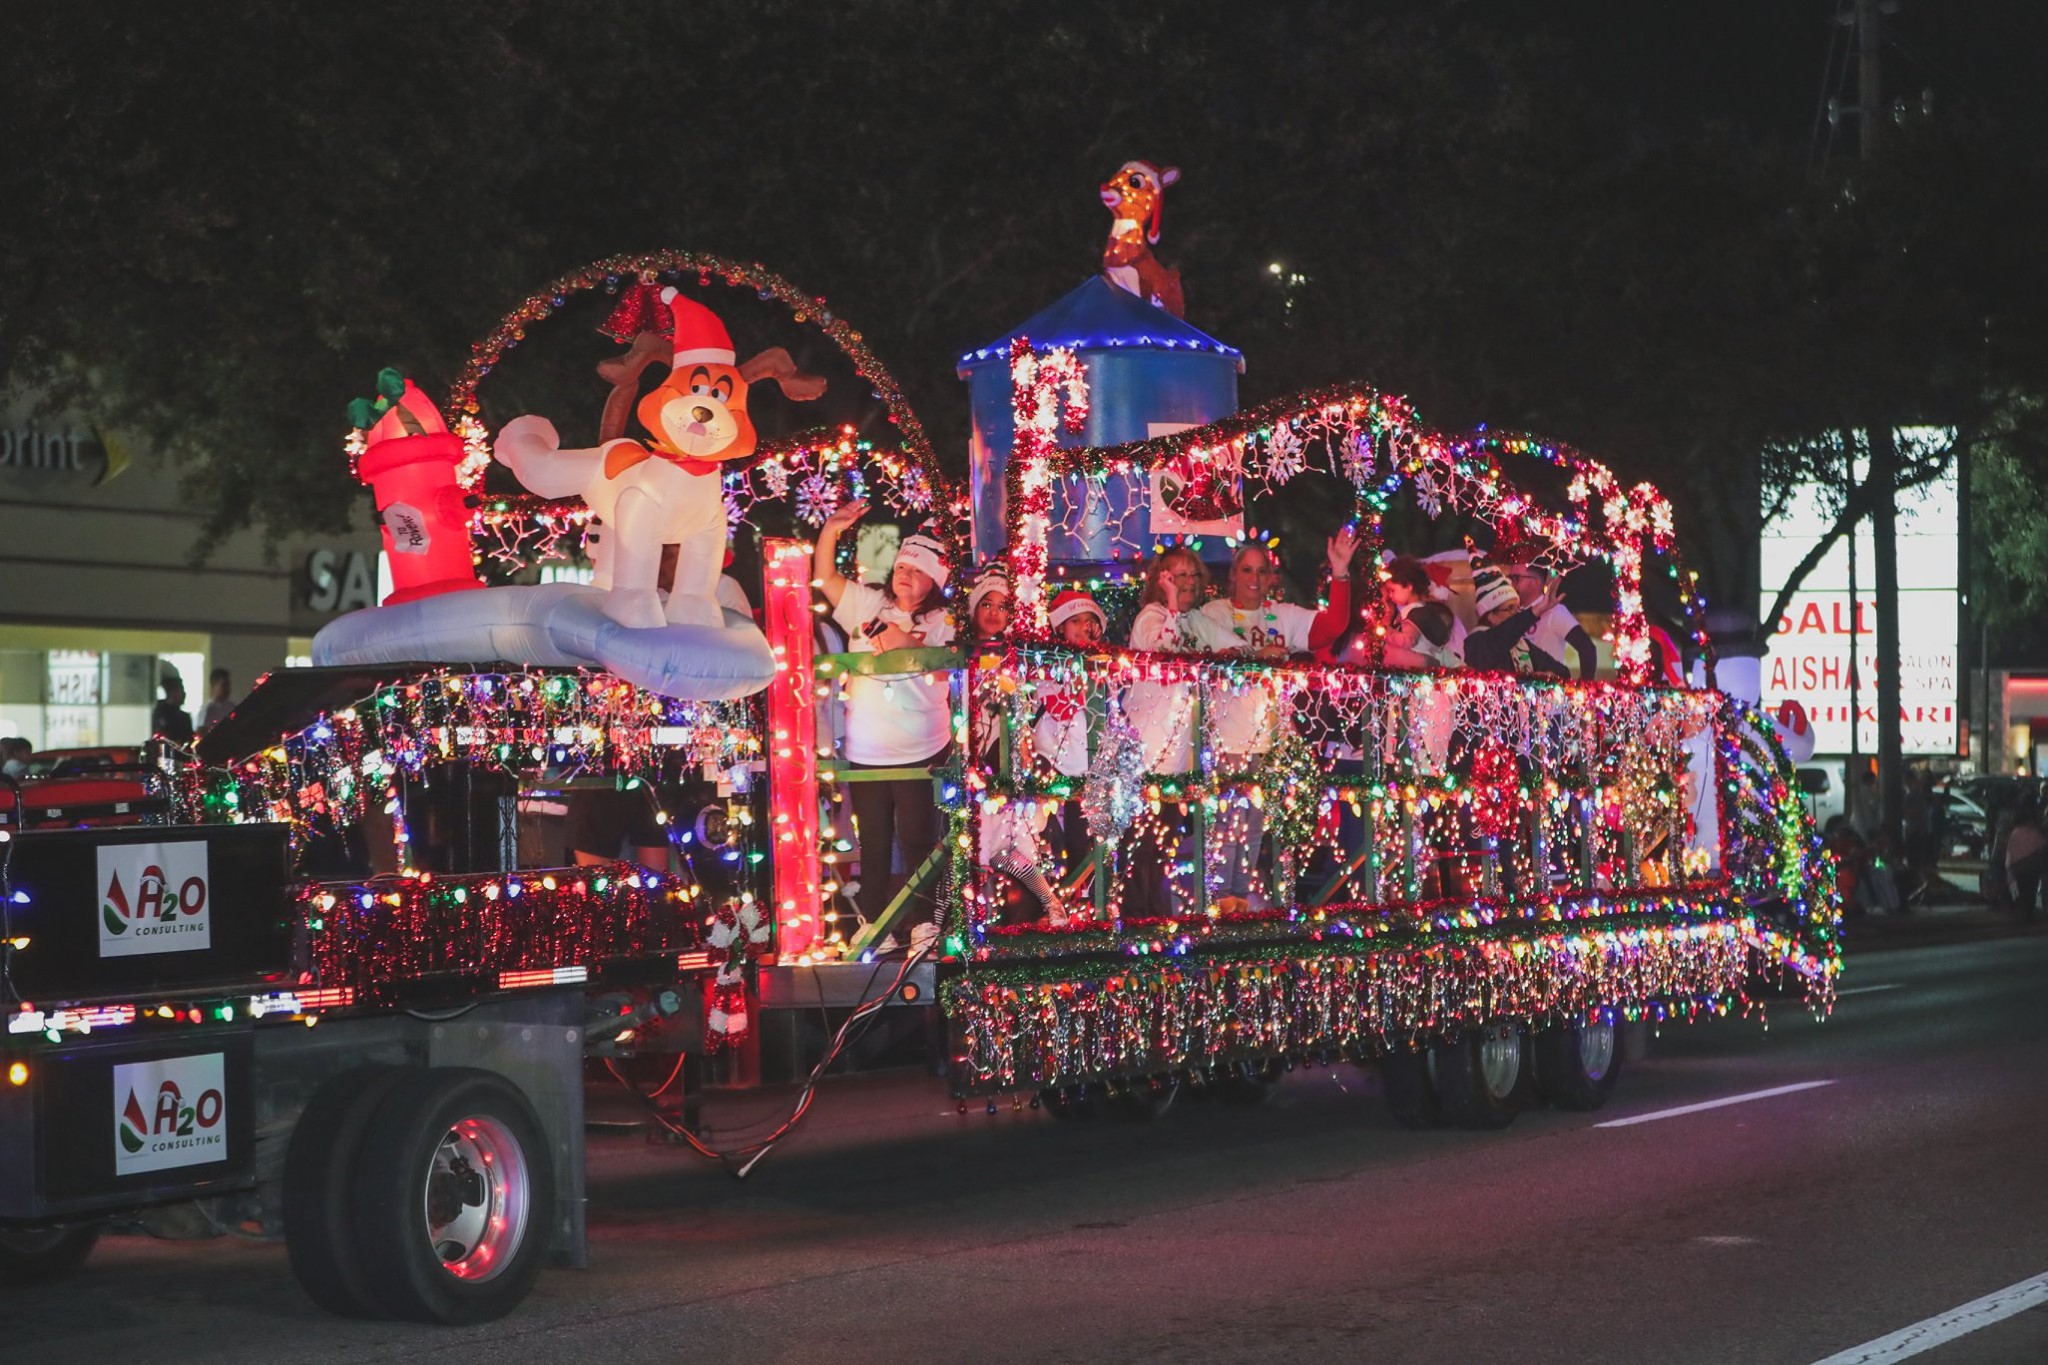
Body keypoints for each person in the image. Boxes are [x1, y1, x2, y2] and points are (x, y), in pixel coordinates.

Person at [1185, 528, 1360, 911]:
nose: (1253, 579)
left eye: (1261, 571)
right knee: (1225, 829)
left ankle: (1240, 904)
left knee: (1250, 831)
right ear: (1232, 575)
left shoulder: (1281, 616)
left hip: (1268, 740)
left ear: (1270, 577)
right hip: (1226, 738)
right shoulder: (1212, 614)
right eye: (1246, 571)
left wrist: (1341, 573)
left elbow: (1333, 626)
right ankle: (1215, 905)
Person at [813, 501, 956, 951]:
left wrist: (887, 634)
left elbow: (926, 658)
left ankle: (923, 923)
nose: (904, 575)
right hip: (867, 749)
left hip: (922, 748)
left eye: (916, 571)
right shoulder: (869, 600)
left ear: (934, 580)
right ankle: (875, 925)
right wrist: (830, 532)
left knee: (919, 840)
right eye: (901, 567)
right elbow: (827, 580)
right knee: (872, 842)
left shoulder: (943, 621)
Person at [1123, 548, 1208, 916]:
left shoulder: (1194, 621)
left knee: (1161, 851)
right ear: (1161, 579)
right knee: (1140, 850)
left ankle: (1157, 920)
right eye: (1177, 576)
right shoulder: (1151, 617)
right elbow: (1165, 648)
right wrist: (1171, 600)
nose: (1186, 583)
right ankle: (1137, 924)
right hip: (1145, 754)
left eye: (1192, 576)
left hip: (1174, 758)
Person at [1034, 589, 1107, 885]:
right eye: (1074, 620)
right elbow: (1057, 706)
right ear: (1061, 625)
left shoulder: (1104, 662)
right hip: (1051, 761)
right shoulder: (1048, 663)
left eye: (1088, 621)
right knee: (1049, 840)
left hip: (1088, 764)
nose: (1082, 628)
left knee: (1083, 842)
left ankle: (1083, 904)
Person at [1461, 558, 1569, 677]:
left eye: (1517, 608)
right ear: (1490, 615)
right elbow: (1504, 634)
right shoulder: (1477, 643)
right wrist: (1537, 609)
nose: (1516, 613)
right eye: (1510, 608)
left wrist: (1548, 676)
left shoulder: (1522, 645)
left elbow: (1563, 672)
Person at [1504, 557, 1597, 679]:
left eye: (1516, 578)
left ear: (1536, 582)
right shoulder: (1508, 612)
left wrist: (1583, 689)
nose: (1511, 584)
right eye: (1509, 578)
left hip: (1545, 692)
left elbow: (1587, 648)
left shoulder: (1555, 612)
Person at [2004, 795, 2045, 923]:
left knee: (2022, 890)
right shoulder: (2033, 833)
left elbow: (2011, 850)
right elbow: (2042, 844)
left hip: (2019, 867)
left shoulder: (2015, 832)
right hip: (2031, 867)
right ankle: (2027, 913)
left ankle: (2022, 912)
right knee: (2030, 890)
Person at [151, 673, 195, 744]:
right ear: (172, 693)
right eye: (181, 690)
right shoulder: (159, 714)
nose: (184, 694)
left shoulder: (184, 717)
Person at [198, 667, 235, 732]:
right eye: (224, 685)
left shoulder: (232, 707)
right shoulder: (207, 709)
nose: (227, 689)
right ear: (214, 685)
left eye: (228, 685)